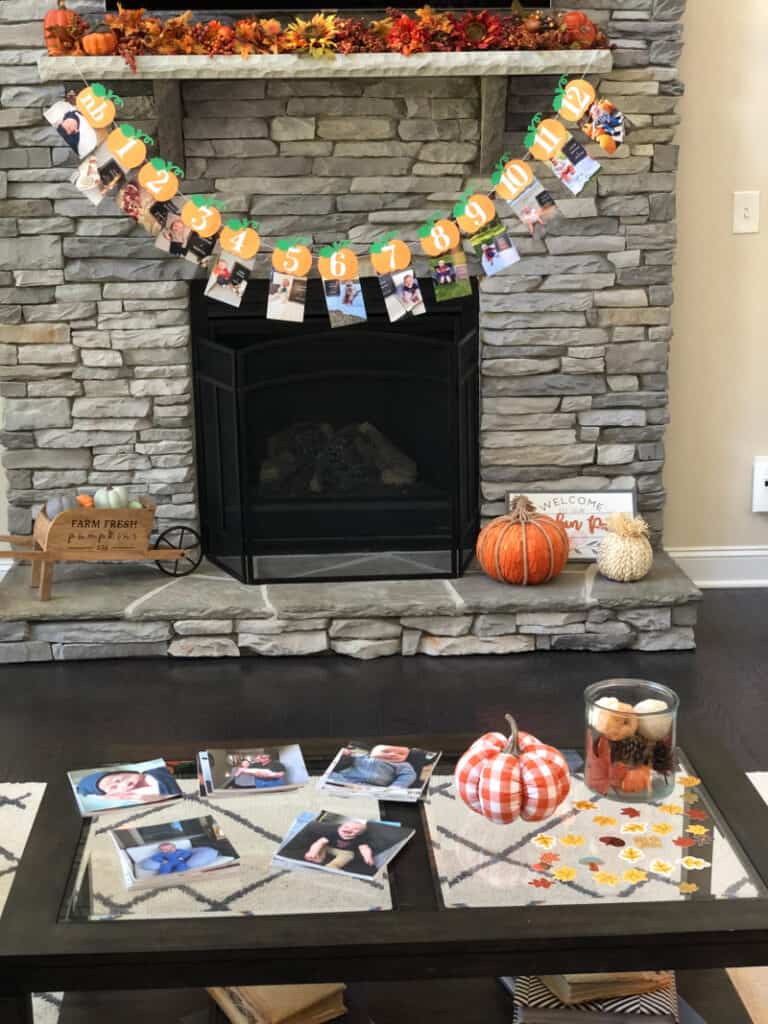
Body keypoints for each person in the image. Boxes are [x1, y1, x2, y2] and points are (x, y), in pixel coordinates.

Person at [295, 818, 390, 876]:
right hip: (329, 847)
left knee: (349, 855)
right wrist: (312, 852)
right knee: (322, 845)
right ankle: (318, 857)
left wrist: (368, 857)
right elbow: (318, 843)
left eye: (356, 829)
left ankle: (333, 866)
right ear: (340, 827)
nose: (349, 829)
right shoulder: (332, 832)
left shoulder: (360, 838)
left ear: (359, 834)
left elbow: (364, 848)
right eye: (347, 826)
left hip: (345, 852)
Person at [77, 765, 179, 806]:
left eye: (117, 779)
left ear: (124, 772)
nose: (122, 783)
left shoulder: (160, 770)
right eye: (114, 787)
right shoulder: (144, 797)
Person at [327, 744, 417, 790]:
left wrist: (396, 787)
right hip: (344, 774)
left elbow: (408, 772)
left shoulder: (399, 764)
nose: (393, 754)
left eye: (400, 754)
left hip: (392, 787)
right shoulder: (337, 776)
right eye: (388, 751)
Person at [139, 841, 218, 875]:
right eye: (164, 850)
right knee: (165, 867)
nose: (168, 851)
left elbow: (188, 853)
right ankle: (163, 877)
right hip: (168, 862)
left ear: (174, 847)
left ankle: (177, 875)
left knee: (183, 866)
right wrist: (162, 860)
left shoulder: (180, 851)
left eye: (170, 848)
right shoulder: (161, 854)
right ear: (161, 850)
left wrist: (182, 857)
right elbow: (155, 858)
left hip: (180, 862)